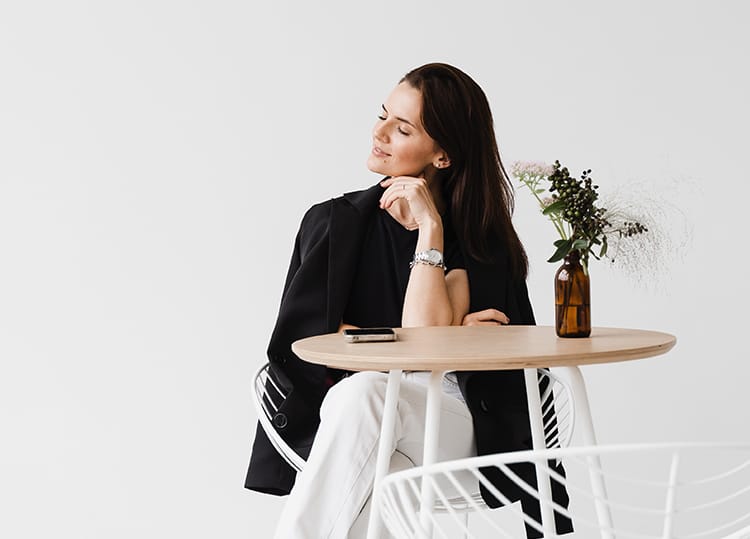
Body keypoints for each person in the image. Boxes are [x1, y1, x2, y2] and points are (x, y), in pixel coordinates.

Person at [245, 62, 573, 538]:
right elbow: (303, 342)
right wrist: (450, 337)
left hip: (464, 430)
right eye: (383, 116)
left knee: (365, 392)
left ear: (443, 155)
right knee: (382, 475)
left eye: (402, 129)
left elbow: (423, 341)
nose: (379, 134)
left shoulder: (479, 242)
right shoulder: (334, 224)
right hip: (352, 430)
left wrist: (430, 228)